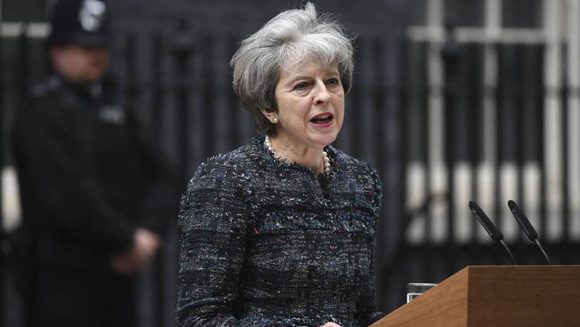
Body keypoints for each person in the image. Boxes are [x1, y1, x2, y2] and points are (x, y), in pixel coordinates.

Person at [177, 3, 384, 327]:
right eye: (303, 85)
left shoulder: (359, 181)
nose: (324, 96)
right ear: (268, 107)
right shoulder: (227, 181)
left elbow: (360, 311)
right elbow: (200, 319)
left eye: (332, 81)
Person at [11, 0, 177, 326]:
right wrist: (127, 242)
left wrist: (147, 236)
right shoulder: (41, 114)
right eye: (84, 46)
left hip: (117, 279)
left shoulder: (117, 111)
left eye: (101, 45)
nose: (96, 54)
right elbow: (68, 197)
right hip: (62, 282)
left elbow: (165, 177)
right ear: (57, 49)